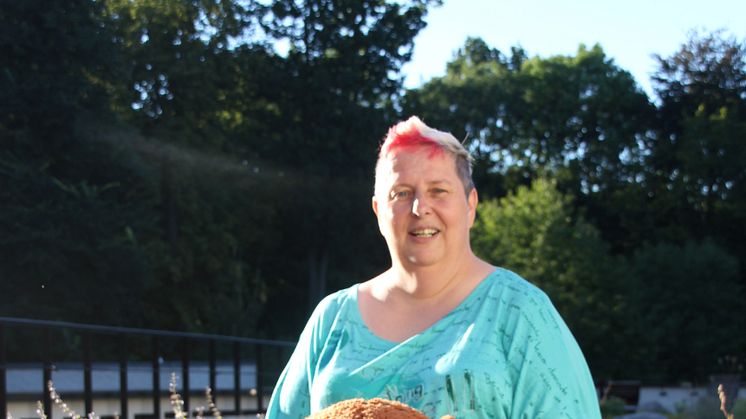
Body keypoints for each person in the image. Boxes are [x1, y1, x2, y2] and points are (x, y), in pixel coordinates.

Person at [266, 116, 602, 418]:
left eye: (438, 190)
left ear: (470, 205)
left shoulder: (520, 313)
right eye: (400, 193)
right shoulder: (333, 319)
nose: (419, 208)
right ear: (378, 211)